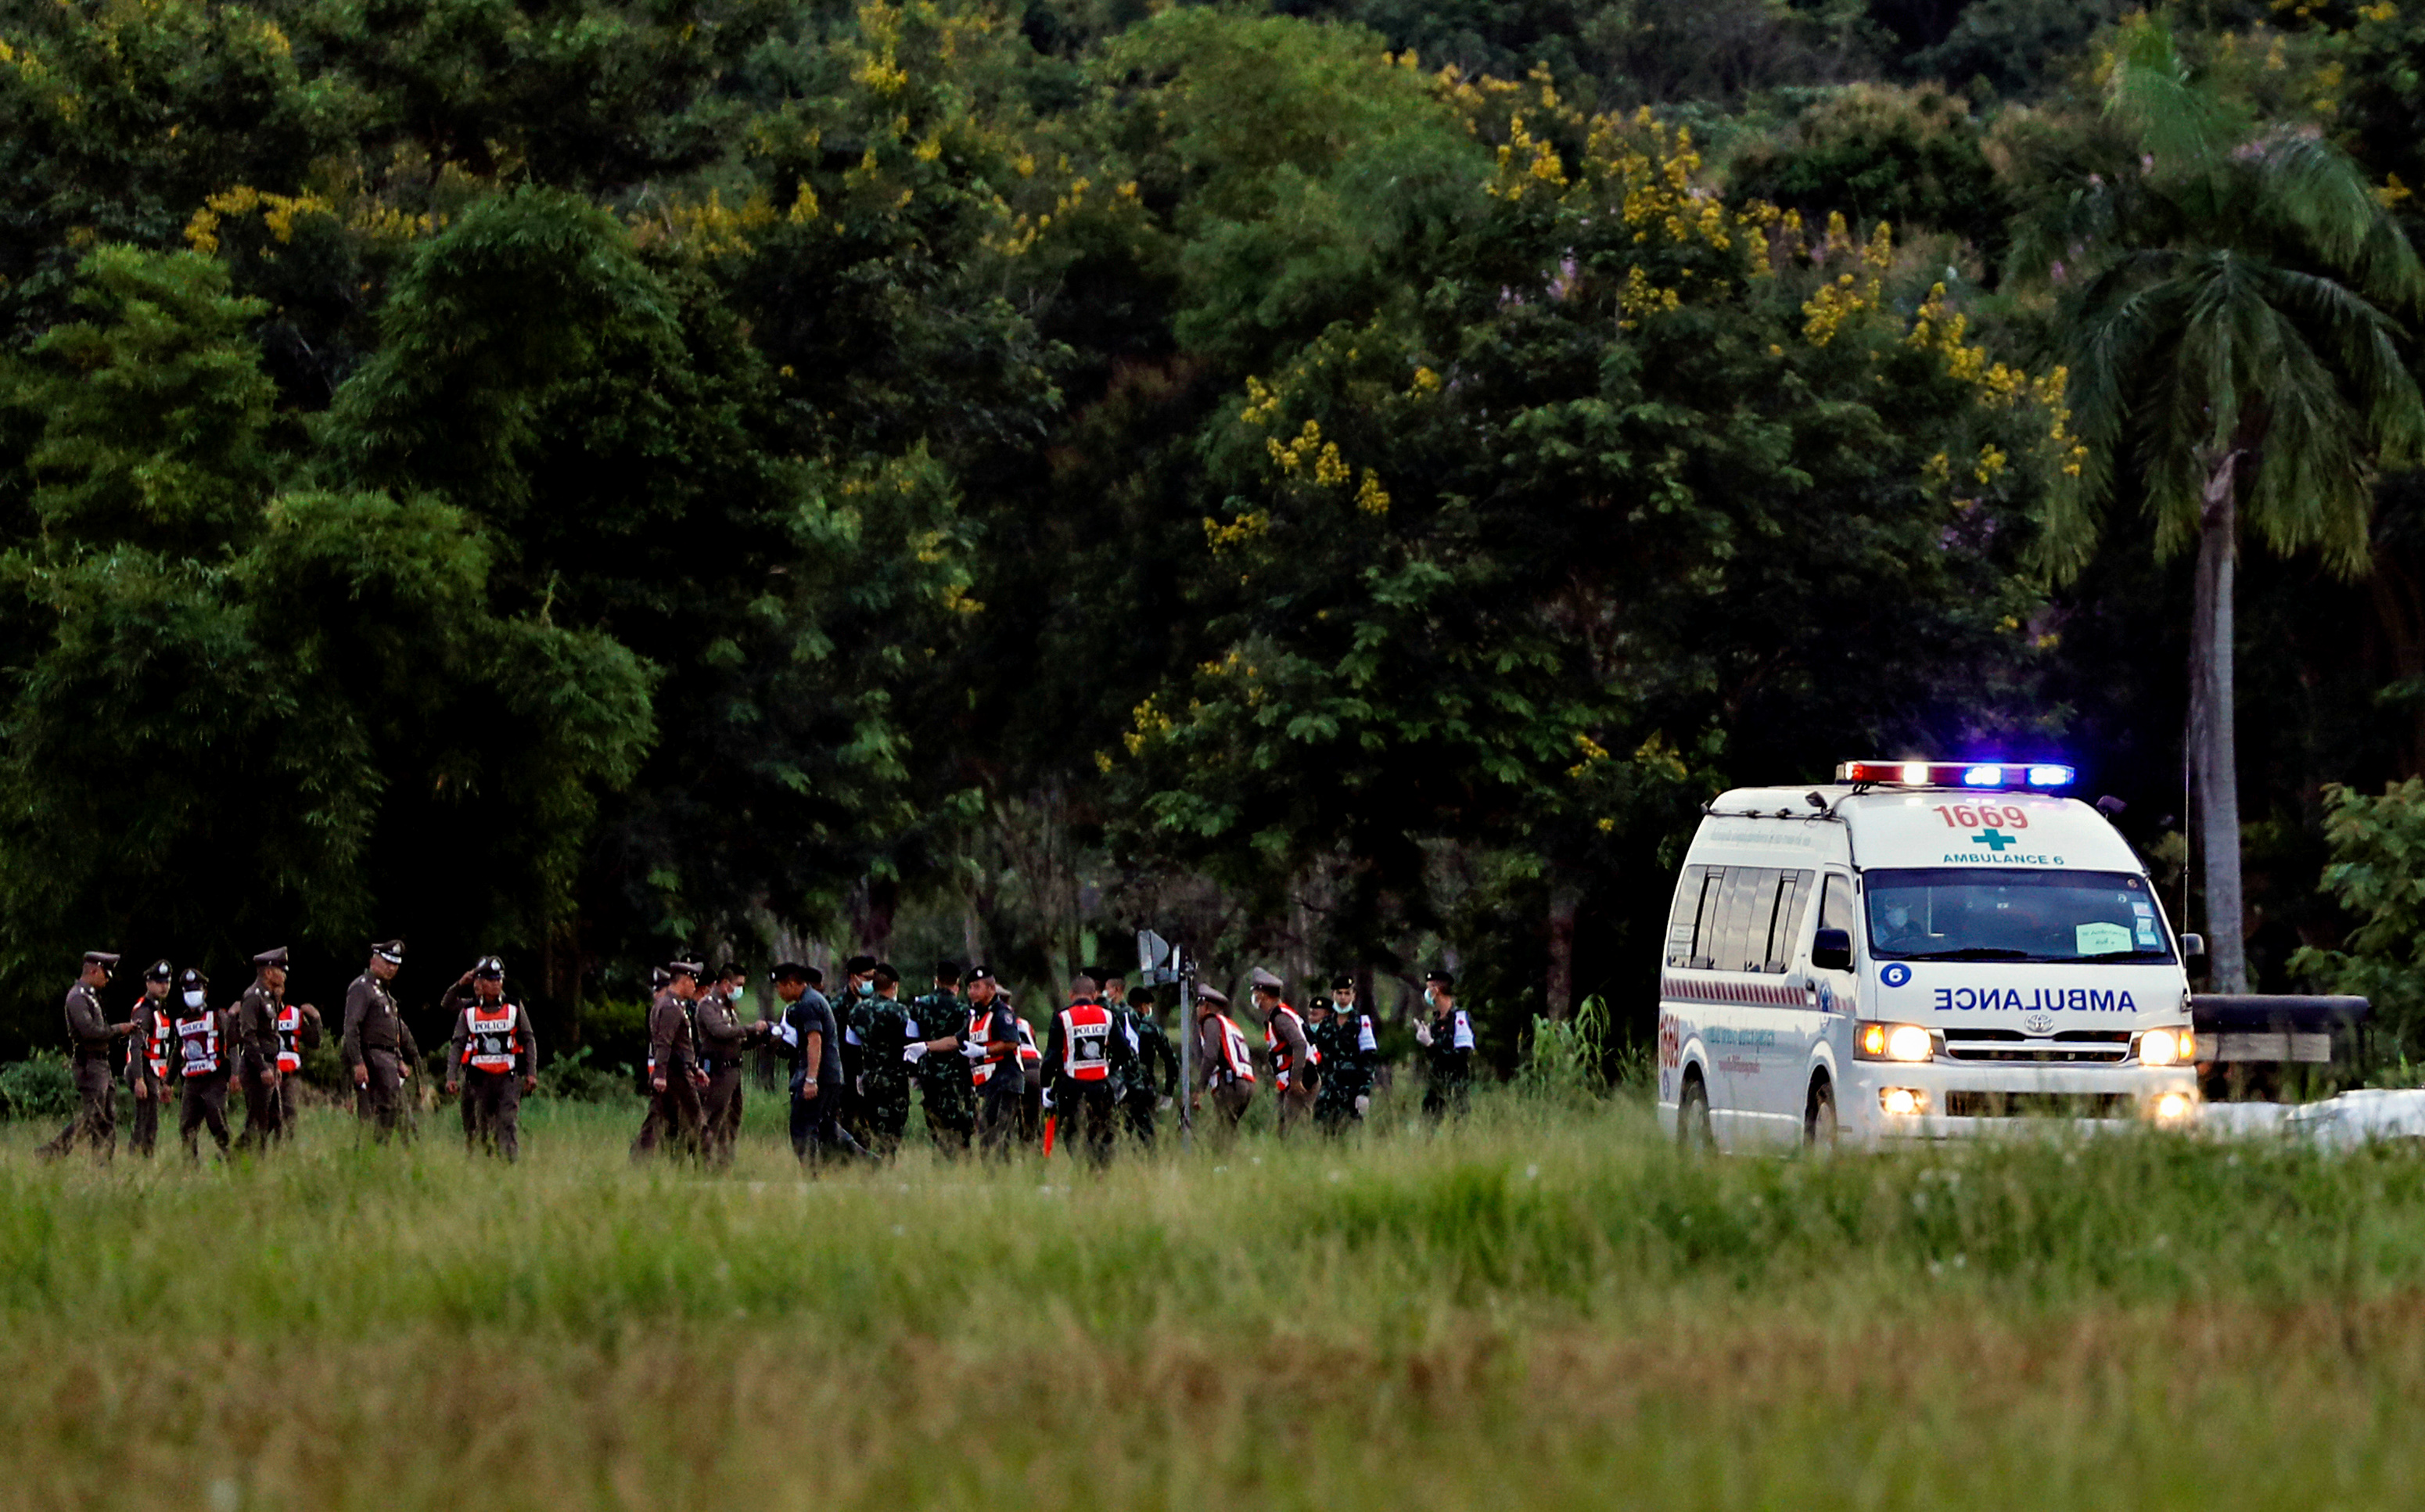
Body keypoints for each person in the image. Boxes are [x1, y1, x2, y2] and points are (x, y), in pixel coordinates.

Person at [38, 950, 132, 1162]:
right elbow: (89, 1031)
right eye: (105, 975)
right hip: (89, 1063)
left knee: (107, 1117)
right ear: (93, 970)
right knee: (93, 1115)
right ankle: (53, 1151)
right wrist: (119, 1029)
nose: (107, 980)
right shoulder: (78, 997)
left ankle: (102, 1165)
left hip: (100, 1063)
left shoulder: (90, 996)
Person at [441, 956, 538, 1161]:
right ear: (479, 982)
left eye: (498, 979)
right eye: (490, 980)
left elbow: (528, 1039)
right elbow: (457, 1043)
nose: (496, 984)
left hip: (508, 1076)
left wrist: (531, 1073)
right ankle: (483, 1161)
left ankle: (509, 1163)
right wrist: (451, 1076)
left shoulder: (513, 1007)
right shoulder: (469, 1009)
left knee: (507, 1122)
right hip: (478, 1077)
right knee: (478, 1125)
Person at [771, 963, 866, 1165]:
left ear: (790, 984)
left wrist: (811, 1079)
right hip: (829, 1074)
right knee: (825, 1125)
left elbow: (815, 1041)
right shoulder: (813, 1000)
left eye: (779, 986)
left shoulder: (808, 1004)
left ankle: (811, 1172)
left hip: (820, 1076)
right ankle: (867, 1161)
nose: (778, 991)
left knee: (802, 1126)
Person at [1041, 972, 1128, 1165]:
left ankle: (1082, 1168)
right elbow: (1123, 1050)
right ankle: (1100, 1172)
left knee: (1073, 1133)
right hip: (1100, 1086)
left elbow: (1051, 1057)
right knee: (1102, 1133)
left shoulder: (1062, 1017)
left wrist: (1046, 1086)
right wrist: (1109, 1068)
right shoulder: (1108, 1015)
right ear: (1095, 994)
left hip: (1071, 1086)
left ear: (1071, 994)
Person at [340, 939, 420, 1142]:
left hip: (388, 1057)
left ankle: (383, 1149)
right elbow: (352, 1027)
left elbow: (389, 1031)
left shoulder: (384, 992)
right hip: (371, 1056)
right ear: (373, 961)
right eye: (387, 963)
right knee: (378, 1110)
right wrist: (358, 1062)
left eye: (395, 965)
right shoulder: (362, 988)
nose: (391, 968)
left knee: (396, 1110)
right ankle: (372, 1149)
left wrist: (399, 1059)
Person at [694, 962, 769, 1167]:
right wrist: (749, 1028)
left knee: (732, 1119)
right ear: (726, 984)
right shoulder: (708, 1005)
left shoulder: (729, 1007)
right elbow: (720, 1031)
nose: (740, 990)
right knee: (713, 1118)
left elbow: (737, 1040)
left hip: (733, 1071)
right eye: (738, 984)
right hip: (717, 1070)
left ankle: (723, 1164)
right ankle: (703, 1163)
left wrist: (758, 1036)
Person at [632, 958, 708, 1161]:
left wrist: (694, 1068)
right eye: (693, 982)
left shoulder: (672, 1005)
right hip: (675, 1075)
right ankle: (711, 1163)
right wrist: (661, 1075)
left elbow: (680, 1045)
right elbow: (664, 1044)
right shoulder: (670, 1008)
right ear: (683, 981)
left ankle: (644, 1159)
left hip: (679, 1070)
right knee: (696, 1119)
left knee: (659, 1119)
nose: (694, 987)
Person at [169, 967, 238, 1161]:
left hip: (214, 1077)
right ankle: (190, 1169)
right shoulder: (180, 1021)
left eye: (196, 991)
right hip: (191, 1082)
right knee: (186, 1127)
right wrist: (168, 1082)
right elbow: (177, 1052)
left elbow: (232, 1042)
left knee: (216, 1121)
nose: (192, 996)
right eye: (188, 992)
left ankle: (232, 1159)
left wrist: (235, 1073)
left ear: (205, 992)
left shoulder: (217, 1015)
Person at [907, 963, 974, 1155]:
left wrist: (914, 1074)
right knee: (961, 1126)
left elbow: (911, 1040)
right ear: (957, 984)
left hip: (929, 1074)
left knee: (936, 1125)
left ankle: (941, 1157)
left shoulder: (918, 1007)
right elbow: (967, 1042)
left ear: (936, 981)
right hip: (958, 1076)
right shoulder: (963, 1010)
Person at [850, 963, 914, 1155]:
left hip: (870, 1080)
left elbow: (851, 1044)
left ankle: (874, 1164)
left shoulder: (857, 1011)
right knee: (893, 1131)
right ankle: (886, 1165)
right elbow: (911, 1044)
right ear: (894, 985)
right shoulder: (900, 1011)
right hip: (895, 1082)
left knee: (874, 1129)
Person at [234, 946, 294, 1151]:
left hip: (269, 1063)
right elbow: (248, 1035)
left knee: (275, 1117)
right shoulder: (253, 996)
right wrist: (262, 1067)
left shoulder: (269, 997)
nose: (284, 975)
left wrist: (274, 1064)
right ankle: (245, 1159)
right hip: (255, 1067)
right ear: (269, 972)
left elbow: (270, 1036)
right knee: (259, 1120)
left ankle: (238, 1154)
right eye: (281, 970)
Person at [965, 967, 1026, 1155]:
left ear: (991, 989)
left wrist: (984, 1050)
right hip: (990, 1082)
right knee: (989, 1133)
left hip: (1006, 1080)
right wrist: (926, 1046)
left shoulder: (1001, 1013)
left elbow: (1012, 1042)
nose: (972, 992)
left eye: (977, 987)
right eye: (970, 988)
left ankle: (998, 1174)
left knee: (995, 1134)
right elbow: (956, 1040)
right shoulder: (976, 1016)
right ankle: (997, 1175)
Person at [1112, 979, 1178, 1145]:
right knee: (1146, 1131)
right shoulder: (1152, 1029)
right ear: (1142, 1006)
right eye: (1149, 1006)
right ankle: (1149, 1162)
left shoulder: (1115, 1022)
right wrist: (1168, 1091)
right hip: (1144, 1085)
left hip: (1120, 1084)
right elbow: (1171, 1061)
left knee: (1120, 1129)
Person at [1253, 968, 1316, 1136]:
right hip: (1294, 1078)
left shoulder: (1280, 1018)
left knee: (1294, 1132)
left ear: (1263, 994)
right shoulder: (1278, 1016)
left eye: (1255, 991)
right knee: (1285, 1128)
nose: (1254, 996)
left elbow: (1299, 1045)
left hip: (1301, 1078)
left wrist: (1295, 1080)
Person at [1314, 974, 1378, 1132]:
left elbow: (1369, 1060)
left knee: (1350, 1136)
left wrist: (1364, 1092)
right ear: (1333, 995)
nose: (1343, 998)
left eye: (1347, 993)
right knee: (1324, 1134)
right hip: (1328, 1091)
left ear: (1353, 996)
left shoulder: (1361, 1023)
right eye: (1339, 993)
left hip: (1352, 1091)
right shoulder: (1326, 1024)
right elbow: (1318, 1057)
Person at [124, 959, 174, 1158]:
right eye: (159, 982)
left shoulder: (158, 1008)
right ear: (148, 983)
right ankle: (139, 1158)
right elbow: (136, 1046)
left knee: (149, 1119)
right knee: (146, 1120)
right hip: (142, 1070)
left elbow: (160, 1048)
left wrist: (162, 1078)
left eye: (167, 982)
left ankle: (143, 1157)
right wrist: (139, 1079)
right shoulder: (144, 1010)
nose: (164, 987)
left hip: (153, 1071)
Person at [1191, 985, 1256, 1134]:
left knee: (1222, 1134)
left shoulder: (1211, 1022)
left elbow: (1210, 1056)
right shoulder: (1231, 1025)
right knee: (1229, 1128)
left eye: (1198, 1006)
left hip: (1230, 1084)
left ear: (1205, 1006)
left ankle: (1226, 1156)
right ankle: (1231, 1156)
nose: (1196, 1011)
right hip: (1246, 1082)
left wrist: (1200, 1089)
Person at [1416, 968, 1475, 1119]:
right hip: (1436, 1088)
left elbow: (1461, 1057)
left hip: (1456, 1088)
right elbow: (1435, 1059)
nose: (1427, 993)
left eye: (1429, 988)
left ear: (1436, 991)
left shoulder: (1459, 1019)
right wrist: (1427, 1042)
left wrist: (1431, 1044)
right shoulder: (1436, 1023)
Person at [832, 954, 878, 1145]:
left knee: (869, 1131)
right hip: (846, 1075)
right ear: (853, 976)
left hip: (869, 1075)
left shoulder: (874, 1005)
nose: (871, 983)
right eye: (867, 978)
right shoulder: (838, 1005)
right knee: (847, 1128)